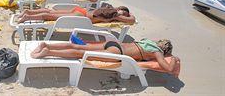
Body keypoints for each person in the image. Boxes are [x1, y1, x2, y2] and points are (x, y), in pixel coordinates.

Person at [30, 39, 180, 76]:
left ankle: (46, 45)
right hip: (117, 53)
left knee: (77, 47)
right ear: (165, 50)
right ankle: (47, 52)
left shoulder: (147, 41)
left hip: (113, 43)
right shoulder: (157, 52)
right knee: (78, 54)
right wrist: (173, 58)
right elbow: (168, 68)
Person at [17, 4, 135, 24]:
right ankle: (27, 16)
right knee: (50, 16)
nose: (122, 15)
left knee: (51, 12)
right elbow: (132, 20)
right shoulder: (116, 14)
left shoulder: (109, 8)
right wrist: (127, 14)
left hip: (81, 11)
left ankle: (28, 12)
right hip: (81, 16)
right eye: (123, 12)